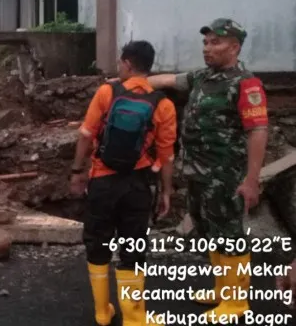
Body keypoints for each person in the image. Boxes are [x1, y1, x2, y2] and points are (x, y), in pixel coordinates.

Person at [146, 18, 269, 321]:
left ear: (235, 47)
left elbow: (258, 131)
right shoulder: (202, 77)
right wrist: (130, 83)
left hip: (227, 174)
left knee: (229, 233)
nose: (207, 48)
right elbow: (167, 80)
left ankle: (236, 302)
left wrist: (252, 180)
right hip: (199, 173)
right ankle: (221, 289)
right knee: (210, 230)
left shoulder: (245, 84)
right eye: (205, 42)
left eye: (216, 42)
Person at [70, 40, 178, 326]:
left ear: (128, 64)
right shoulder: (163, 104)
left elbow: (85, 135)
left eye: (120, 63)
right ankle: (134, 317)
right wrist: (167, 191)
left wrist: (77, 172)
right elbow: (166, 156)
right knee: (132, 247)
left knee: (98, 242)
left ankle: (102, 312)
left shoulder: (107, 92)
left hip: (102, 181)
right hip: (137, 185)